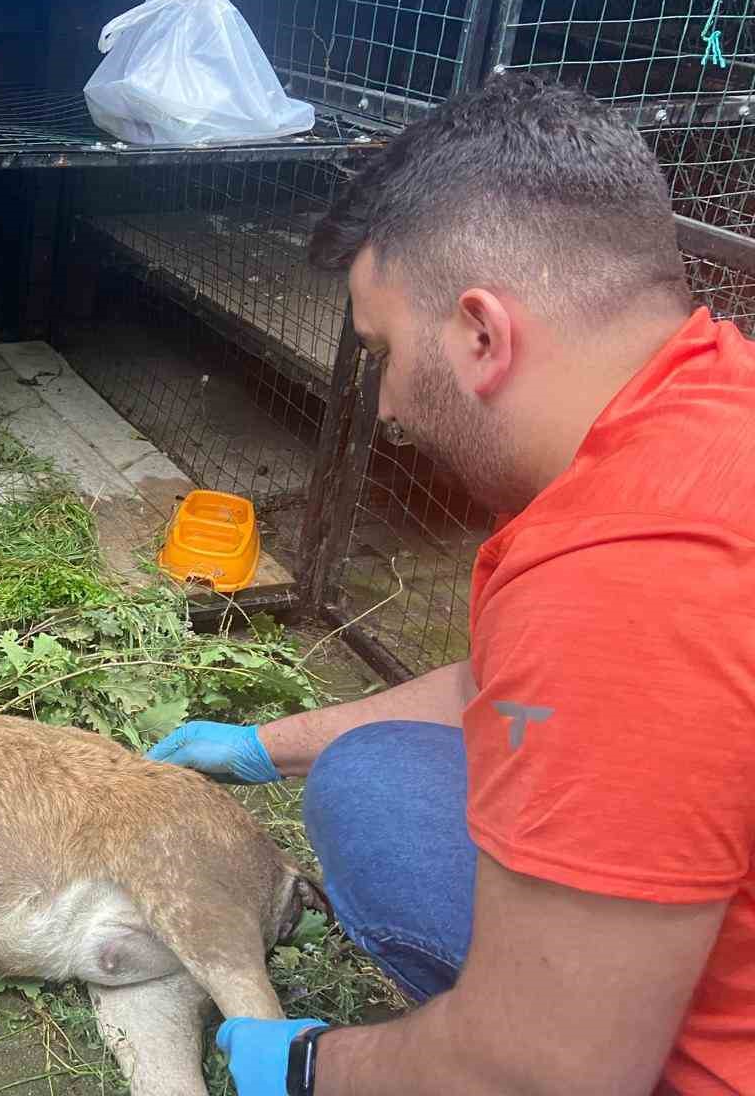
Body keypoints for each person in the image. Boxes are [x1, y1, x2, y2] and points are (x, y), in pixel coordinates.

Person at [150, 75, 754, 1096]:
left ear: (480, 333)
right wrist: (265, 746)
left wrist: (312, 1066)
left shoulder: (619, 575)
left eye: (382, 352)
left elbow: (548, 1074)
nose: (383, 402)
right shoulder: (711, 396)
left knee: (376, 805)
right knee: (371, 767)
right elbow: (504, 684)